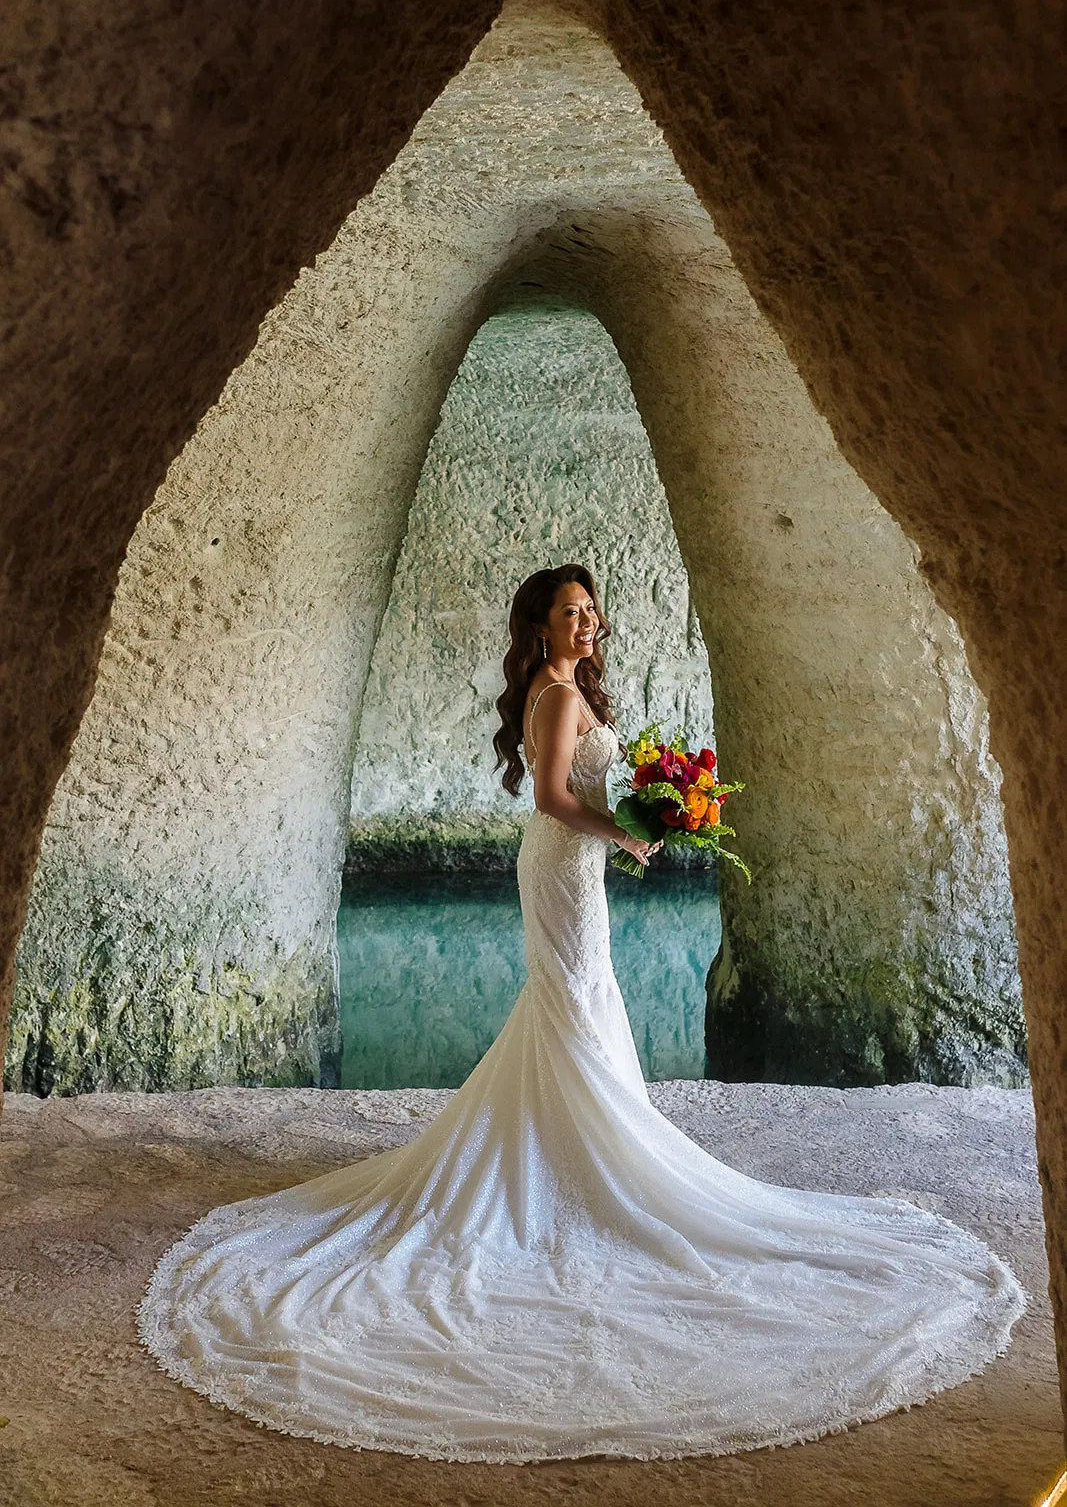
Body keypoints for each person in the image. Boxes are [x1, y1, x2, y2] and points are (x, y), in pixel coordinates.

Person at [139, 562, 1025, 1464]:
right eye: (570, 612)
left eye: (592, 609)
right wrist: (632, 830)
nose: (587, 622)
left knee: (573, 999)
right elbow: (557, 799)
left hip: (570, 863)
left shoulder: (560, 687)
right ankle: (589, 1160)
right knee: (573, 995)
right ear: (540, 625)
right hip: (563, 860)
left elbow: (579, 794)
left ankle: (573, 1140)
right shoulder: (557, 695)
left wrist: (652, 807)